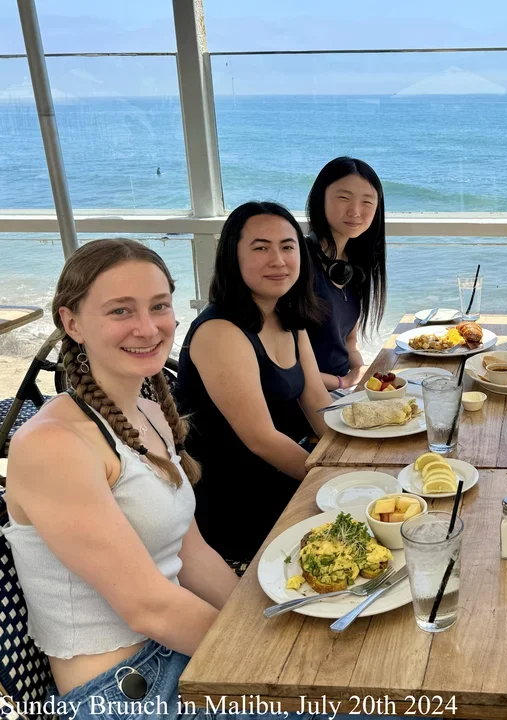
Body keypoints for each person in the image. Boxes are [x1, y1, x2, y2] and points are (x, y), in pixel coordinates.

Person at [1, 239, 285, 718]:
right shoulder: (53, 445)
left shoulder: (149, 413)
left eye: (159, 306)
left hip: (179, 645)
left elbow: (193, 555)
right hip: (126, 691)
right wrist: (267, 658)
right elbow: (147, 607)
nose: (148, 327)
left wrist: (259, 625)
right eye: (120, 311)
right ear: (72, 323)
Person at [176, 201, 333, 566]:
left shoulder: (286, 314)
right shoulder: (221, 331)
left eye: (287, 246)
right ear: (233, 257)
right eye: (261, 247)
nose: (278, 260)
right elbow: (261, 439)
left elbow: (318, 402)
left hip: (279, 478)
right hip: (236, 504)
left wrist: (350, 463)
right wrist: (328, 484)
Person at [305, 157, 386, 392]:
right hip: (306, 396)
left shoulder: (354, 265)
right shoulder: (297, 261)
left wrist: (360, 370)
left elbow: (350, 341)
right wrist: (344, 382)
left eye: (367, 201)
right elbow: (281, 365)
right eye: (343, 198)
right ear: (320, 198)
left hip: (339, 388)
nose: (355, 211)